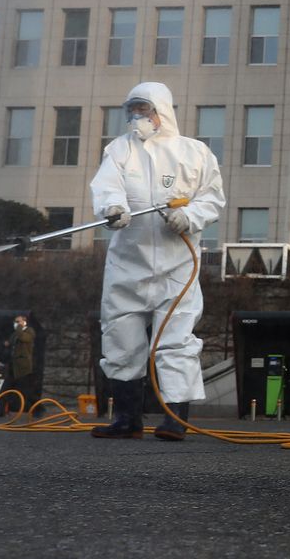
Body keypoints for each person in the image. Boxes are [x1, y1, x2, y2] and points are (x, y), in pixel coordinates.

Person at [89, 81, 225, 441]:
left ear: (161, 111)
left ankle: (175, 419)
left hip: (176, 267)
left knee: (175, 343)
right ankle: (127, 419)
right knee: (120, 338)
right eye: (132, 109)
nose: (137, 116)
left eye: (143, 109)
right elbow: (107, 186)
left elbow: (212, 199)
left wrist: (190, 217)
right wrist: (112, 208)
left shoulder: (194, 153)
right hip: (127, 265)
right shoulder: (120, 150)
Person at [0, 315, 37, 418]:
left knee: (25, 391)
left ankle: (37, 409)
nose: (16, 324)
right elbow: (10, 342)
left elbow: (23, 338)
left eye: (18, 321)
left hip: (23, 367)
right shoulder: (15, 334)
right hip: (13, 365)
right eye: (15, 322)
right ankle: (0, 411)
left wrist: (20, 327)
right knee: (5, 389)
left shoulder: (29, 332)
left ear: (24, 322)